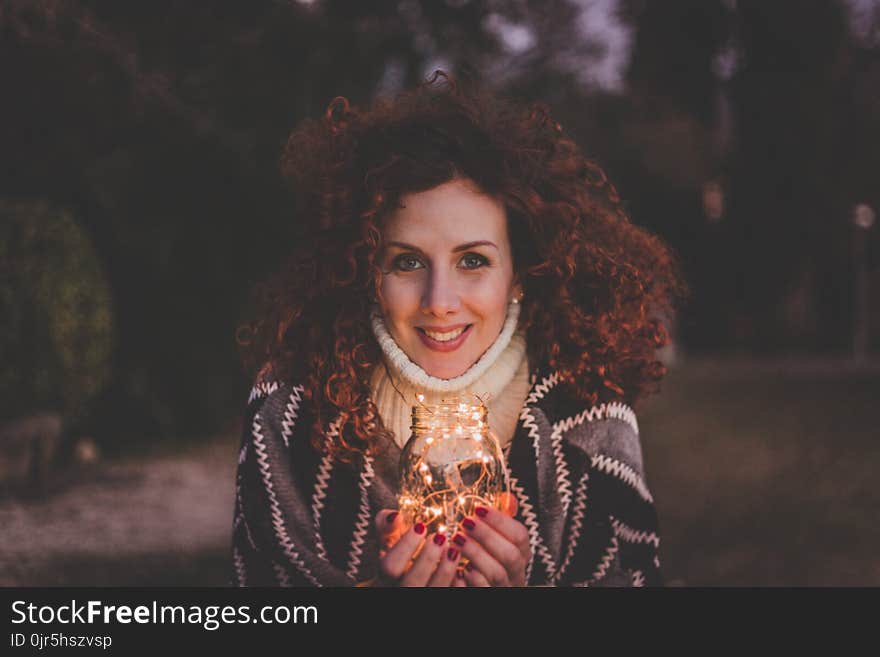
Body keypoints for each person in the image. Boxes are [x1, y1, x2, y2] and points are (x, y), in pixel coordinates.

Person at [230, 72, 685, 587]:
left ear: (519, 273)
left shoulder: (590, 418)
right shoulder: (291, 411)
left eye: (472, 260)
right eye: (406, 263)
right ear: (364, 269)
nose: (440, 302)